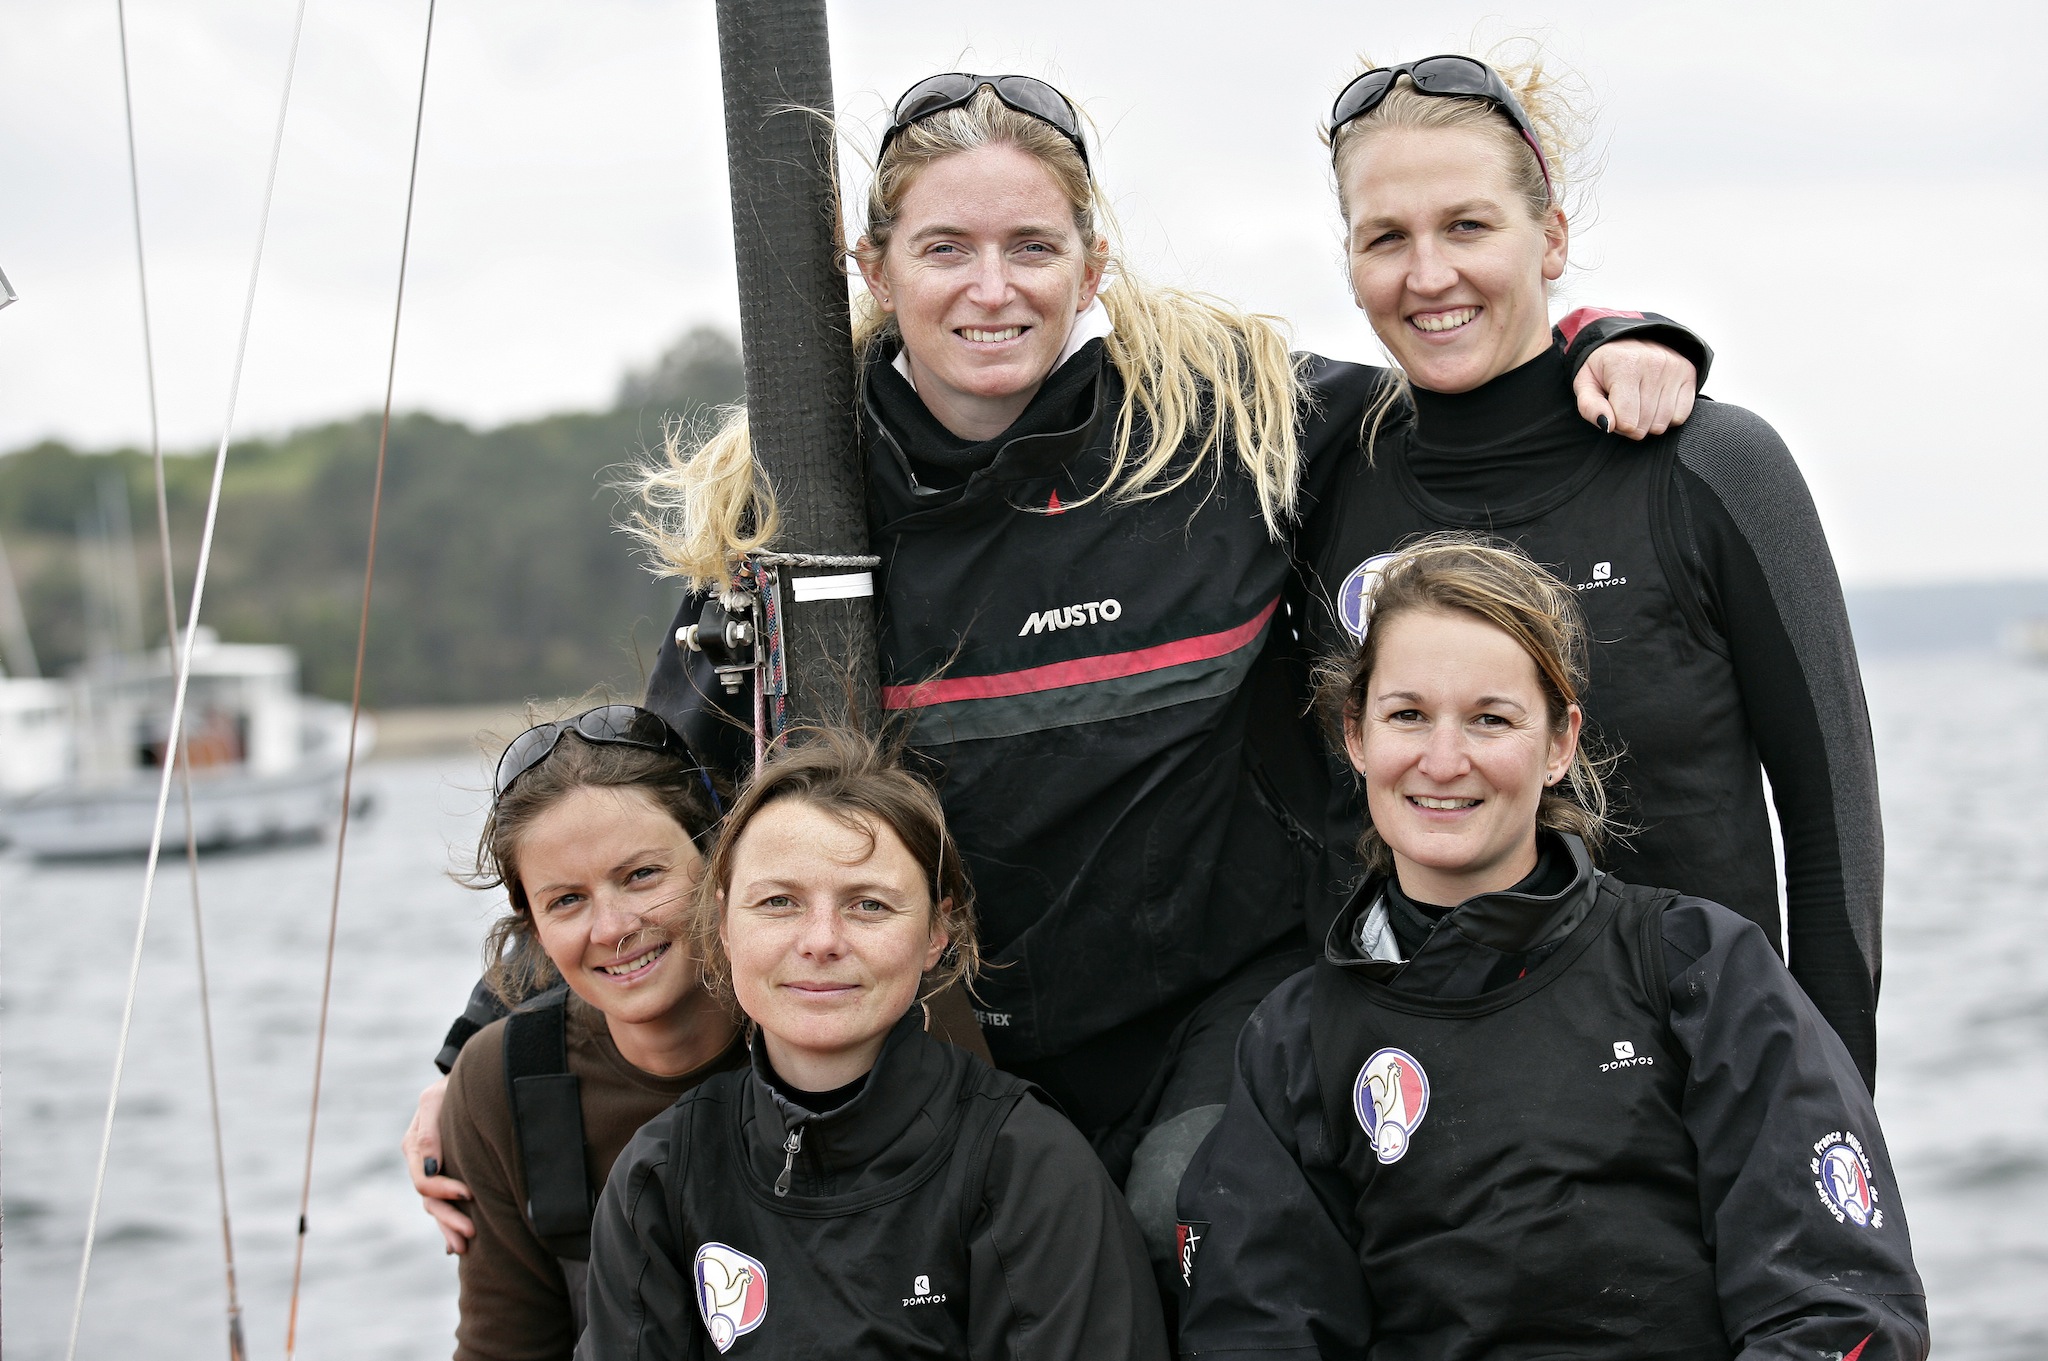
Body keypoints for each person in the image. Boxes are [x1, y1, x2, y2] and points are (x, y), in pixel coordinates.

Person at [612, 74, 1705, 1282]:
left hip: (1221, 1006)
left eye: (1033, 247)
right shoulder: (802, 515)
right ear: (873, 269)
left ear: (1090, 269)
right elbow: (638, 808)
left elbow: (1452, 385)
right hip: (957, 1025)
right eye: (945, 248)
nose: (992, 288)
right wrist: (487, 1048)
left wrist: (1598, 334)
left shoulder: (1213, 428)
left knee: (1176, 1208)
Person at [1176, 536, 1927, 1360]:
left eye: (1490, 719)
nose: (1443, 761)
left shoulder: (1699, 970)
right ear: (1356, 735)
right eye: (1407, 715)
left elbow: (1838, 1307)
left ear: (1560, 742)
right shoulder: (1294, 1044)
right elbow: (1255, 1330)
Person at [1293, 51, 1885, 1087]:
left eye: (1467, 226)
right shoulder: (1319, 477)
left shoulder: (1709, 465)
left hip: (1693, 1094)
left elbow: (1831, 823)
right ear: (1349, 260)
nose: (1427, 275)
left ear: (1552, 238)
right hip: (1422, 1113)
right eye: (1385, 237)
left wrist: (1830, 1112)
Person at [577, 726, 1168, 1360]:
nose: (821, 941)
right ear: (722, 924)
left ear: (938, 931)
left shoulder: (1027, 1169)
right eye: (778, 901)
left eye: (869, 906)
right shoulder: (663, 1175)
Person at [430, 707, 746, 1361]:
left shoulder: (827, 1026)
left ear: (715, 860)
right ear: (532, 926)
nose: (612, 928)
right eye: (567, 900)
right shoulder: (503, 1083)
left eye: (641, 875)